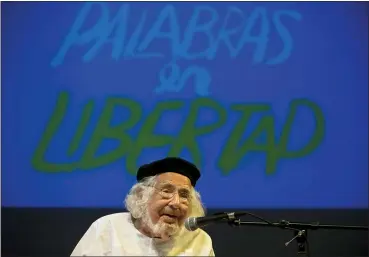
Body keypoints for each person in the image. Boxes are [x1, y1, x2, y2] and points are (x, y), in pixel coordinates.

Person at [71, 157, 215, 256]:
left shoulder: (200, 240)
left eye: (184, 195)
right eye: (166, 191)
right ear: (142, 196)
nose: (176, 202)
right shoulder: (107, 228)